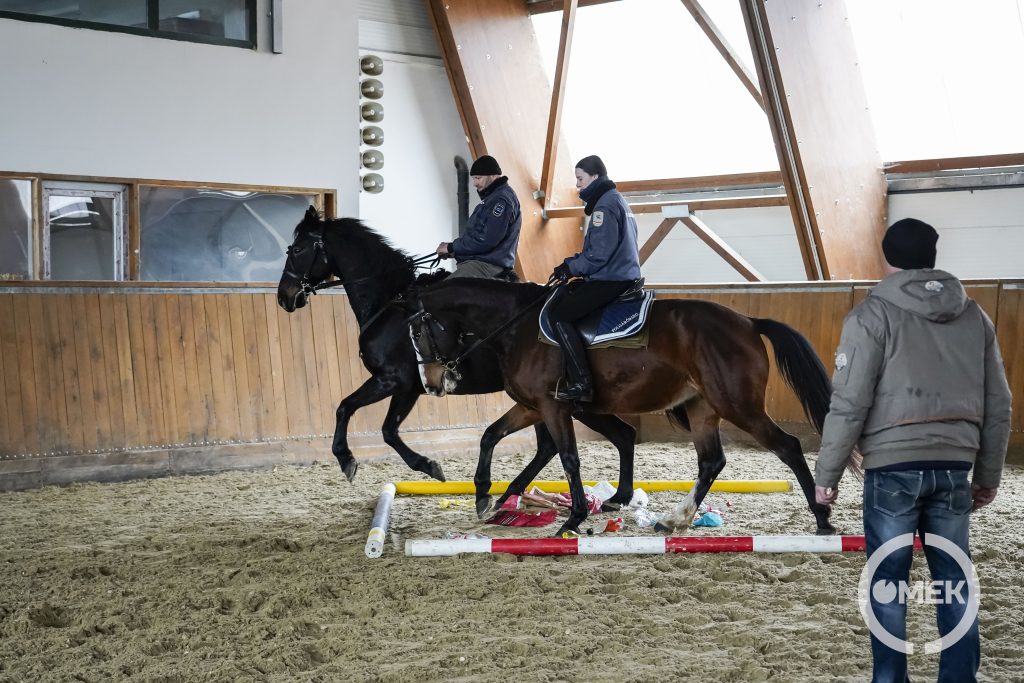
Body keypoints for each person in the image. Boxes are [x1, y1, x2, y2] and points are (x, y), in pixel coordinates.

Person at [814, 218, 1012, 683]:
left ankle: (890, 678)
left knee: (887, 581)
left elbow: (849, 401)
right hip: (954, 466)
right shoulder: (975, 316)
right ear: (935, 255)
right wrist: (989, 474)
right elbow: (998, 401)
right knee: (955, 582)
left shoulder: (871, 314)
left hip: (891, 467)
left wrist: (828, 473)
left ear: (888, 259)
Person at [546, 155, 641, 402]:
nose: (577, 185)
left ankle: (581, 382)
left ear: (595, 177)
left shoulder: (604, 206)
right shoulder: (617, 200)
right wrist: (571, 264)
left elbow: (599, 254)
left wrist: (571, 269)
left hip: (611, 278)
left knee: (559, 315)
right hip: (623, 274)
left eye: (580, 179)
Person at [435, 155, 521, 279]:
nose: (475, 183)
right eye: (474, 179)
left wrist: (451, 246)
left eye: (478, 178)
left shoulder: (500, 201)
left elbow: (486, 240)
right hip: (479, 263)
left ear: (493, 176)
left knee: (440, 295)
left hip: (485, 266)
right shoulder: (493, 198)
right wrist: (455, 251)